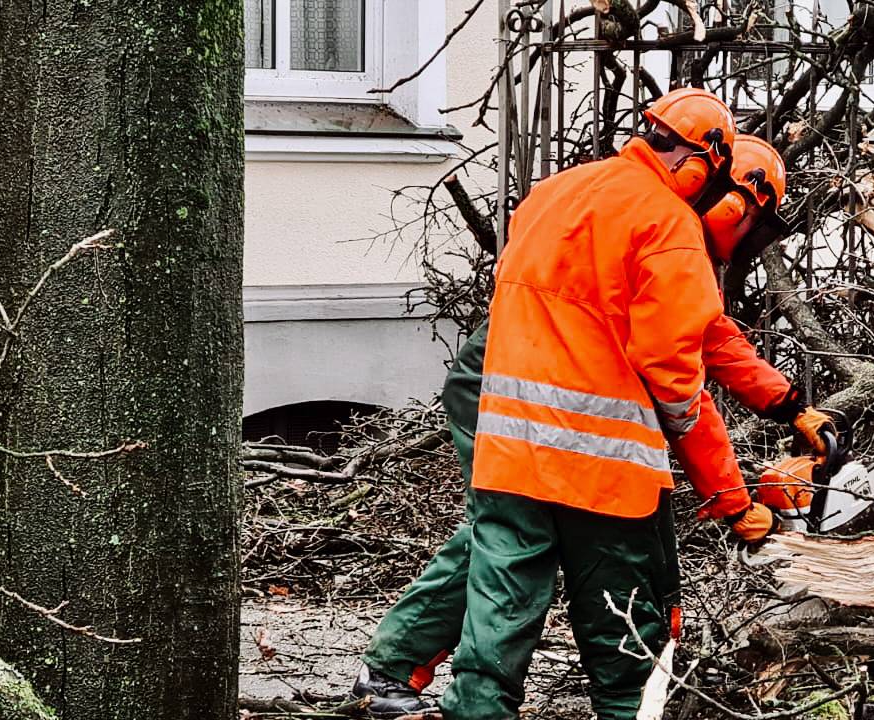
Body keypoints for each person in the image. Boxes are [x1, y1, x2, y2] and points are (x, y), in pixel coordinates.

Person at [346, 95, 829, 717]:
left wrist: (787, 405)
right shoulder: (668, 226)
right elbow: (678, 382)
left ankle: (418, 685)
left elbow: (711, 336)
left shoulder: (569, 192)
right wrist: (733, 503)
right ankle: (398, 672)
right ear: (723, 189)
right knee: (584, 568)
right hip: (570, 413)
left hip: (508, 398)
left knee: (506, 547)